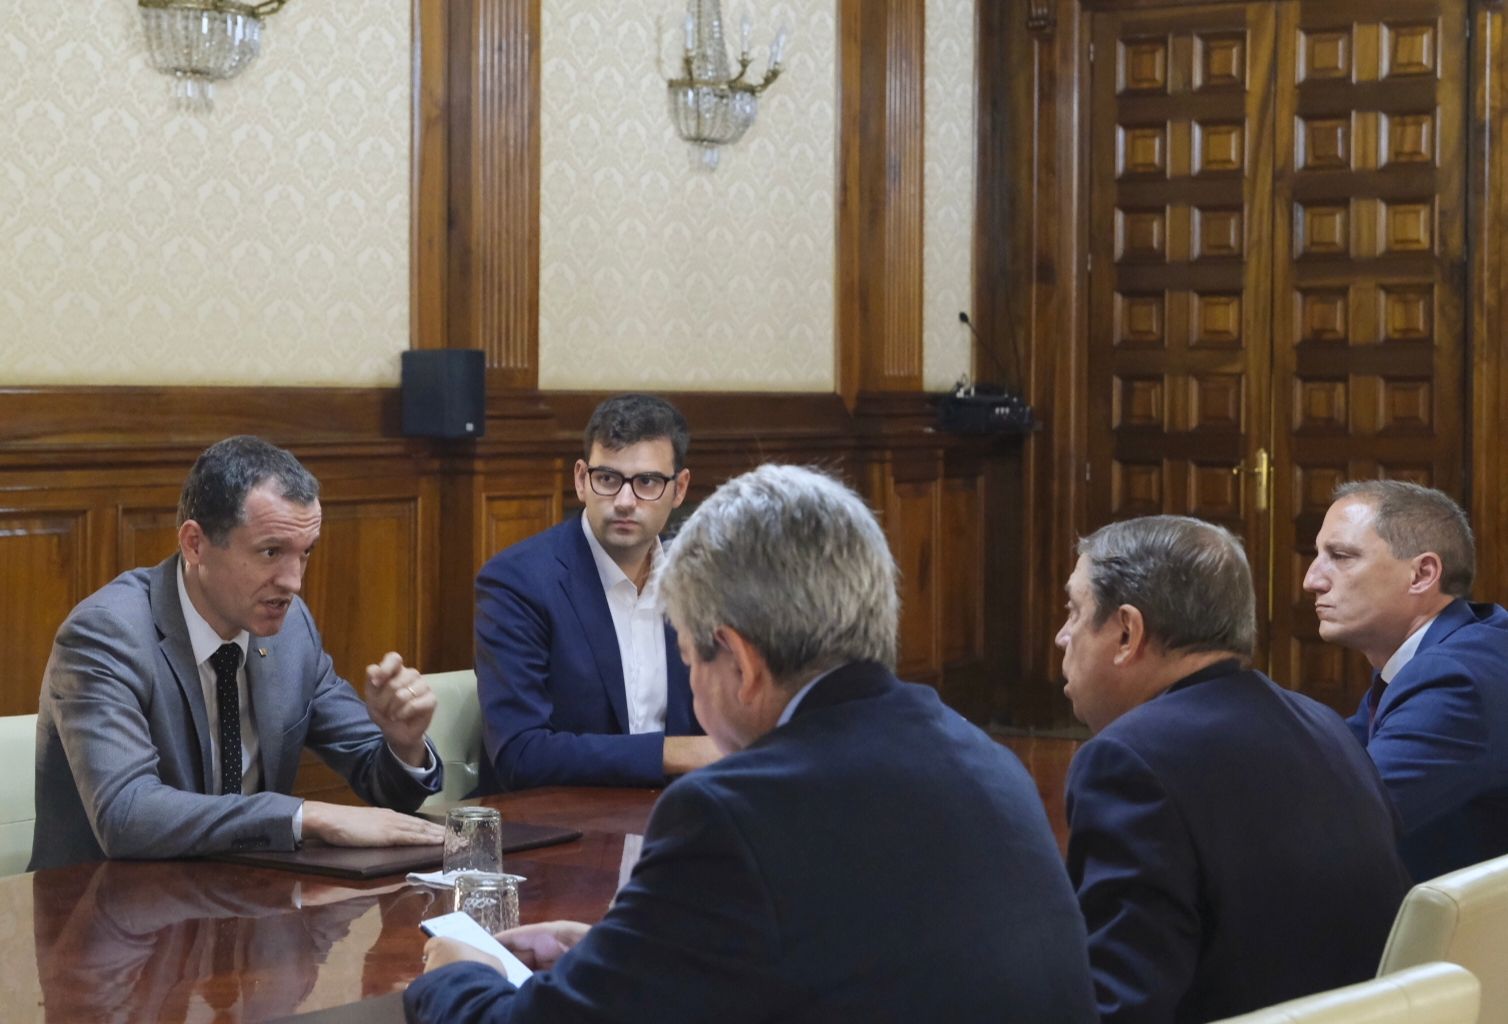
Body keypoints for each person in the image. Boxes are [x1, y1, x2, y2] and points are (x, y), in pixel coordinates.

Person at [408, 464, 1097, 1023]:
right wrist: (631, 955)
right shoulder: (985, 756)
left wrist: (457, 976)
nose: (692, 683)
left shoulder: (734, 811)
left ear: (738, 660)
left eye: (687, 656)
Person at [29, 436, 444, 872]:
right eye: (271, 552)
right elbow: (127, 814)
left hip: (245, 902)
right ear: (195, 544)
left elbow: (382, 781)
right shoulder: (107, 634)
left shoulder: (290, 629)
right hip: (104, 914)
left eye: (305, 554)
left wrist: (403, 744)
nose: (293, 582)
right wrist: (308, 817)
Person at [1059, 515, 1411, 1024]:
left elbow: (1118, 1004)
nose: (1061, 636)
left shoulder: (1129, 761)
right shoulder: (1323, 723)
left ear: (1127, 633)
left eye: (1074, 610)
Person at [474, 394, 719, 790]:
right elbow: (521, 753)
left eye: (647, 483)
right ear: (580, 480)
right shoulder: (518, 582)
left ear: (679, 489)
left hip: (678, 816)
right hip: (557, 825)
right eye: (608, 479)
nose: (624, 501)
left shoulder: (703, 581)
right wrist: (680, 754)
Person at [1304, 479, 1508, 880]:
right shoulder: (1440, 651)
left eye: (1341, 556)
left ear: (1422, 574)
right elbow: (1339, 758)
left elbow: (1343, 818)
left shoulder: (1455, 679)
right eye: (1317, 556)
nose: (1312, 580)